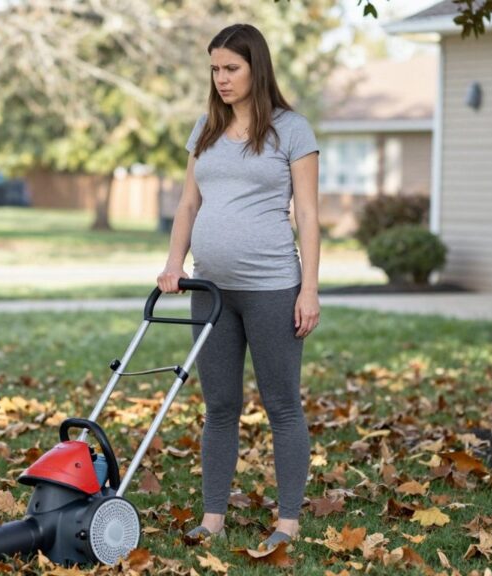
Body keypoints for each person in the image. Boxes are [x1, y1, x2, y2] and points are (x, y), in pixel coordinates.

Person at [156, 23, 320, 551]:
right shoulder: (205, 128)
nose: (221, 78)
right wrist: (172, 264)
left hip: (274, 287)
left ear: (256, 68)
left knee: (282, 405)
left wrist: (310, 289)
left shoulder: (292, 130)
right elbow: (187, 204)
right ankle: (211, 518)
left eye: (231, 68)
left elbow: (309, 216)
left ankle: (288, 522)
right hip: (210, 291)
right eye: (215, 69)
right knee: (219, 406)